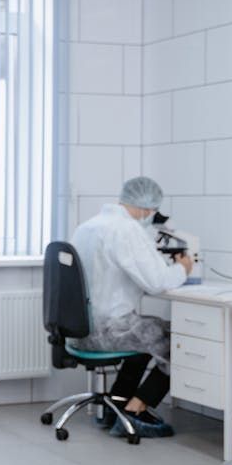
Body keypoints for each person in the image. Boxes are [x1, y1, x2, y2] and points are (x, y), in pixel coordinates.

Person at [70, 176, 193, 438]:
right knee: (179, 341)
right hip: (109, 331)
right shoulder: (126, 230)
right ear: (147, 207)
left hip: (80, 331)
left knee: (143, 339)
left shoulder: (88, 226)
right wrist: (183, 268)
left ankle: (118, 407)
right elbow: (158, 282)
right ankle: (136, 410)